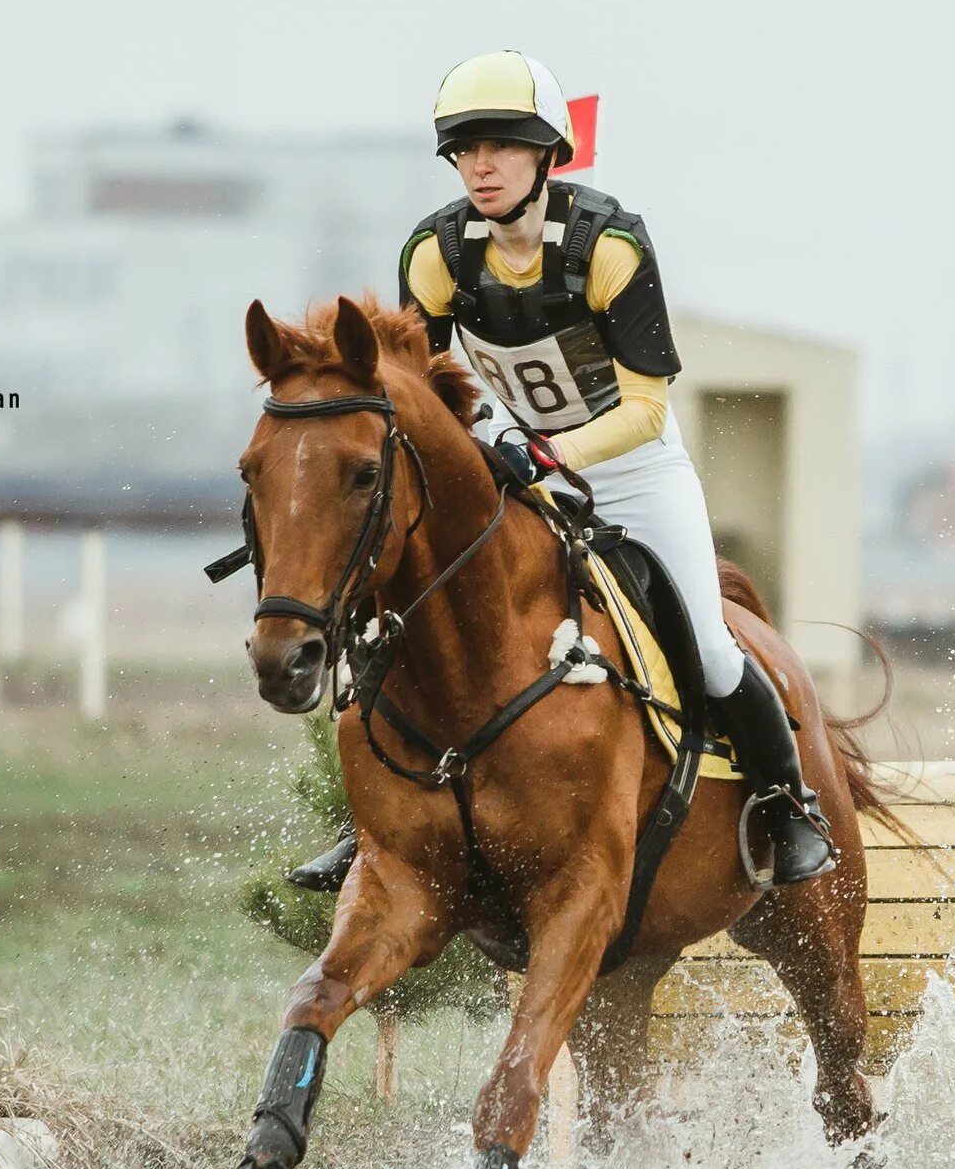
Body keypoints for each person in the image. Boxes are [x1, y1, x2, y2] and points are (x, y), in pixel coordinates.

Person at [287, 49, 836, 893]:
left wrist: (553, 453)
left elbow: (647, 408)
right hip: (510, 461)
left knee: (713, 647)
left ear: (549, 155)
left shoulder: (610, 246)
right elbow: (425, 396)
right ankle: (367, 828)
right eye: (466, 148)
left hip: (631, 467)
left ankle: (788, 802)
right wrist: (498, 446)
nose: (480, 164)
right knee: (407, 613)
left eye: (503, 144)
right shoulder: (435, 255)